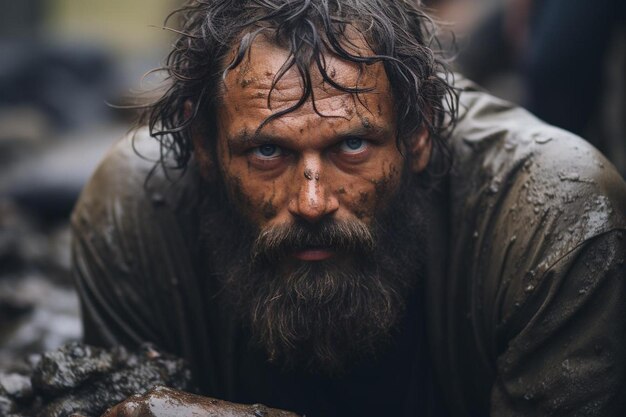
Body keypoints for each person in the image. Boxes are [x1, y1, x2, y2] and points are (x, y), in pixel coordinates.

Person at [71, 1, 626, 416]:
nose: (313, 202)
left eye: (351, 147)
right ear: (204, 148)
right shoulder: (134, 214)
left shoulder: (553, 219)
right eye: (268, 151)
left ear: (419, 132)